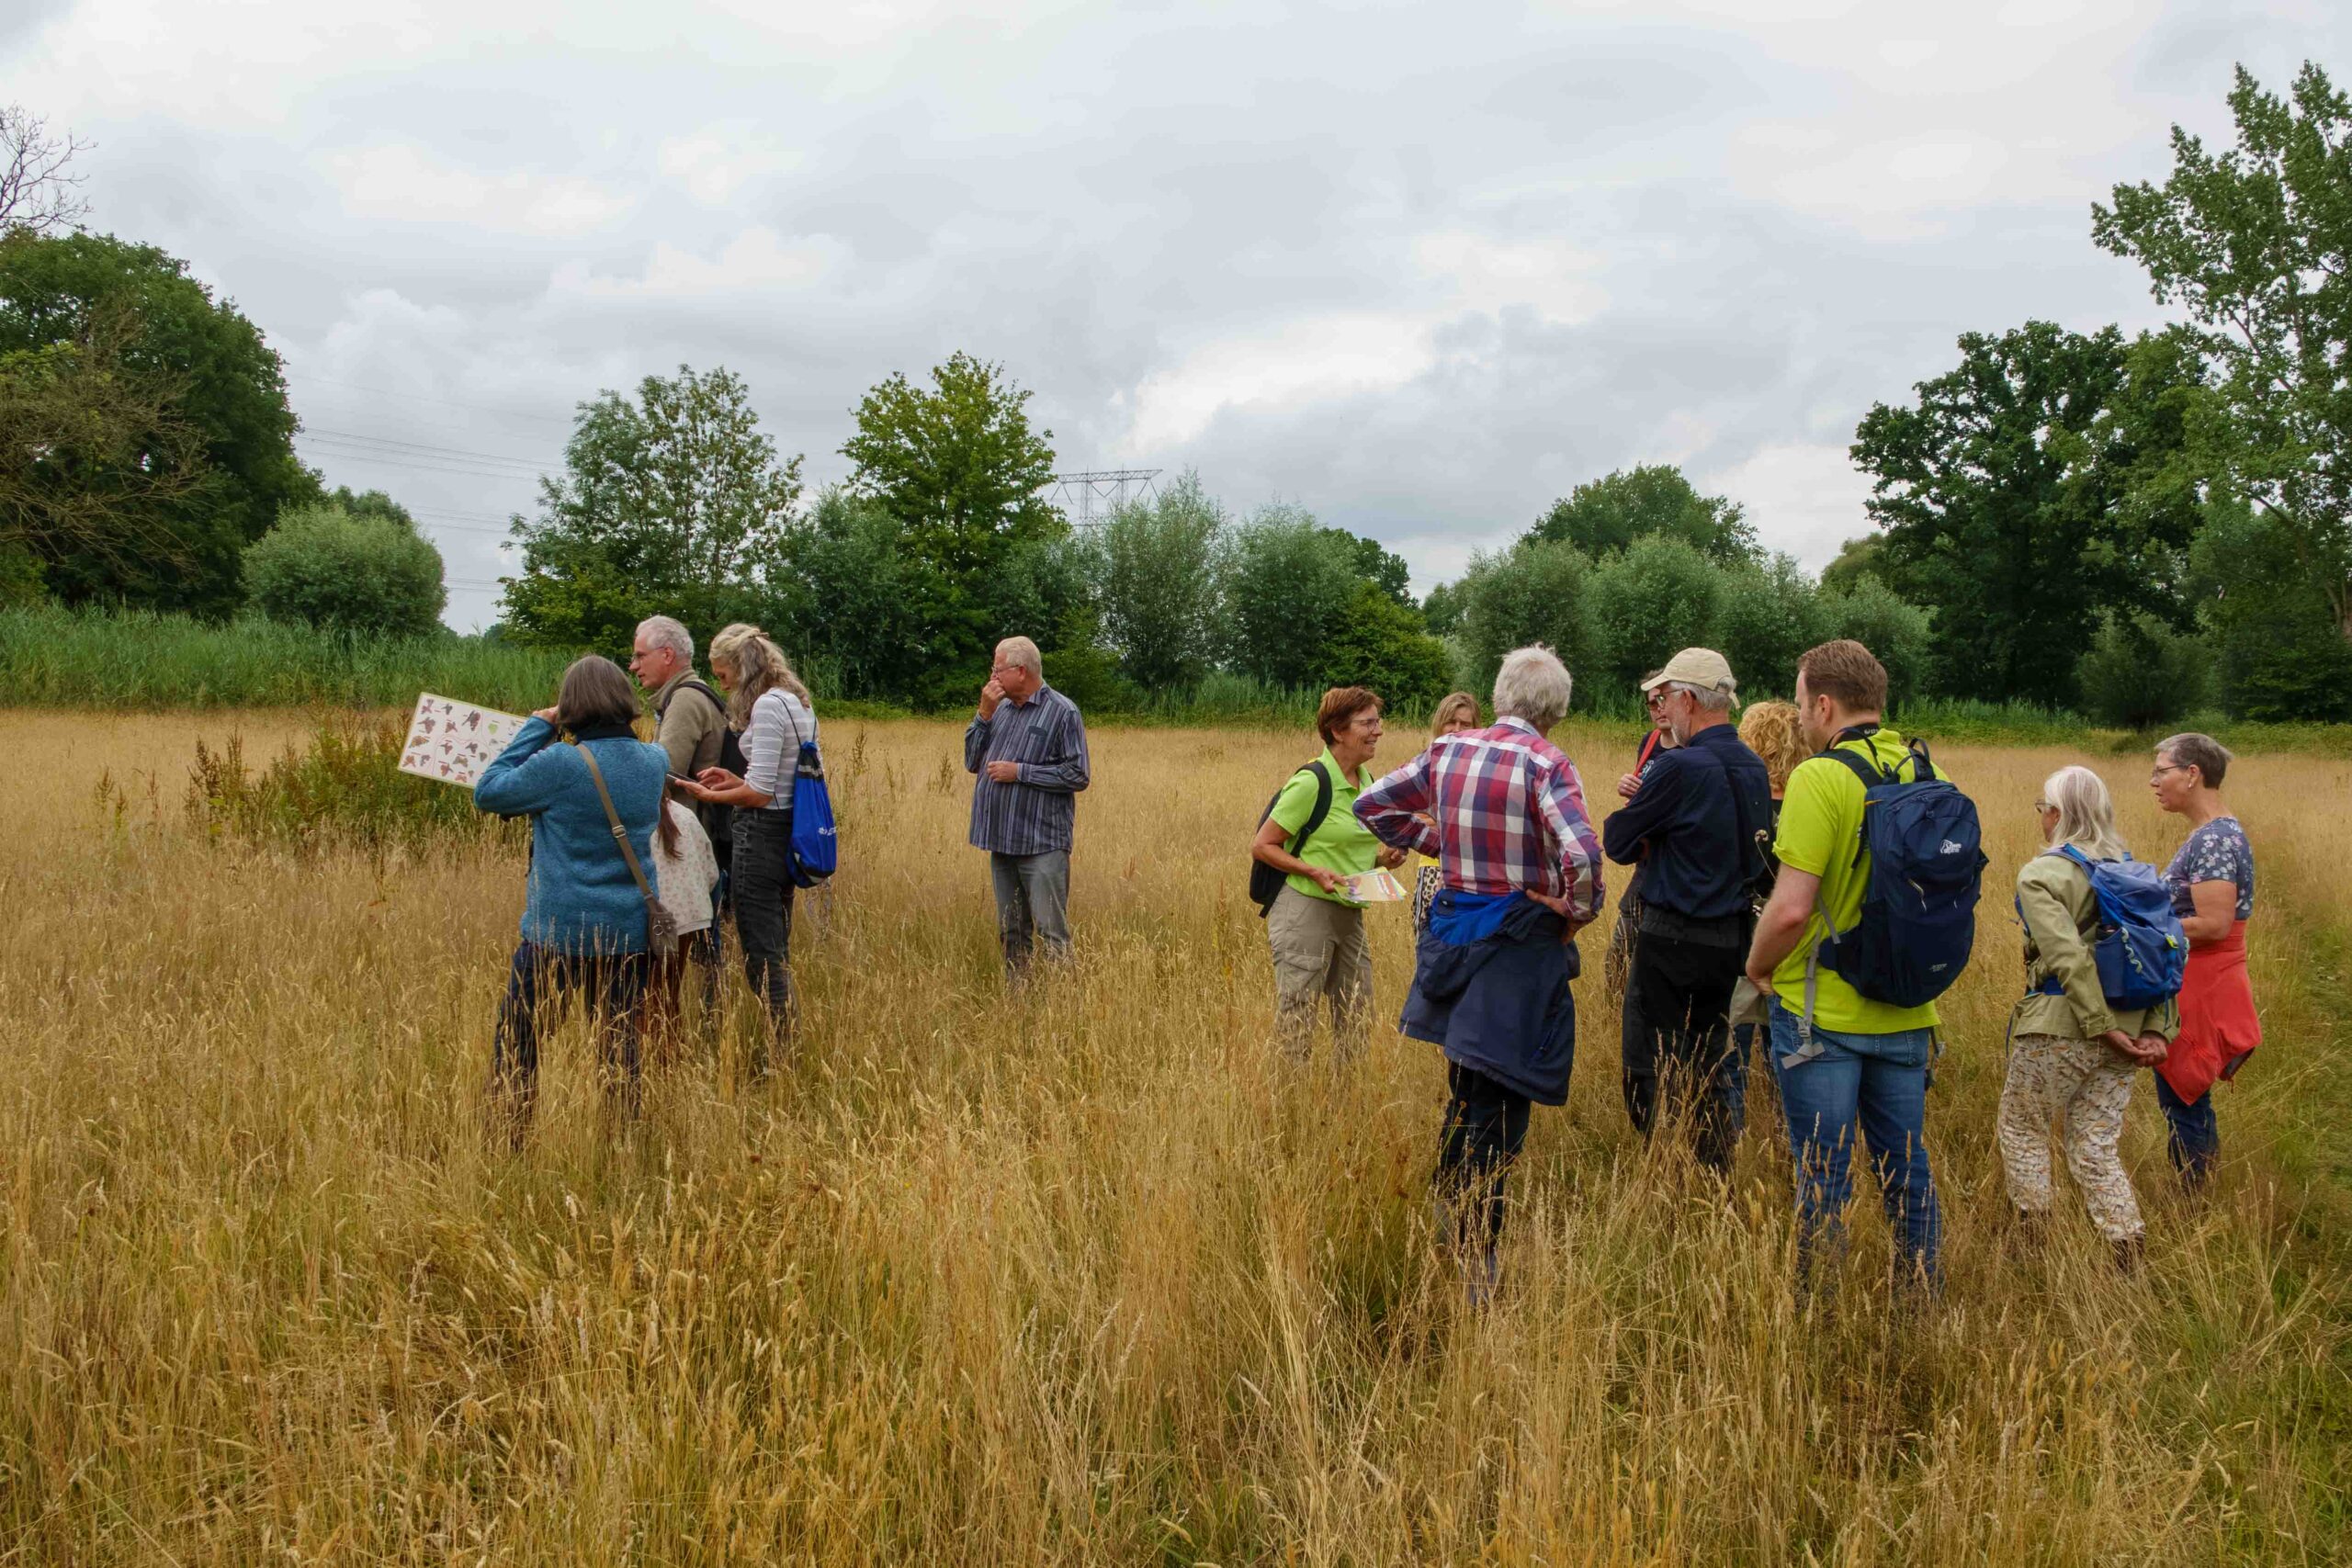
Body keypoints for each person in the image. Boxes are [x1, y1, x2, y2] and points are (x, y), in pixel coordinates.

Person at [1356, 646, 1604, 1302]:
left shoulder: (1449, 753)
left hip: (1455, 935)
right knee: (1502, 1098)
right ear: (1554, 709)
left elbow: (1373, 806)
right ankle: (1478, 1260)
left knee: (1466, 1084)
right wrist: (1575, 912)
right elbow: (1582, 854)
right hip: (1517, 947)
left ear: (1500, 696)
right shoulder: (1545, 761)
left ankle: (1452, 1213)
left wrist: (1441, 842)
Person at [1743, 639, 1949, 1293]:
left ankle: (1823, 1314)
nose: (1800, 717)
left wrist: (1757, 968)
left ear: (1825, 704)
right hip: (1908, 1004)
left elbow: (1791, 910)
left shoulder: (1818, 777)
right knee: (1908, 1171)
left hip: (1821, 1011)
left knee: (1823, 1174)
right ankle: (1923, 1298)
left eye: (1802, 703)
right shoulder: (1921, 767)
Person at [472, 655, 670, 1146]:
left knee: (520, 1039)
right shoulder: (655, 760)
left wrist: (537, 727)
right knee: (618, 1046)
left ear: (571, 707)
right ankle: (621, 1145)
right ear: (625, 701)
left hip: (557, 934)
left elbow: (488, 792)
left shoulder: (559, 763)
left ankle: (508, 1142)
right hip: (628, 933)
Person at [1997, 765, 2174, 1269]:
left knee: (2022, 1127)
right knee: (2096, 1142)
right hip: (2134, 1031)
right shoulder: (2135, 872)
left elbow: (2067, 958)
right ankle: (2127, 1252)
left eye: (2042, 809)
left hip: (2061, 1025)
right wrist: (2156, 1029)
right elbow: (2166, 954)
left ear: (2055, 814)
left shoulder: (2042, 874)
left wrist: (2102, 1026)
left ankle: (2032, 1249)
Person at [1602, 649, 1771, 1175]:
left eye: (1665, 696)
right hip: (1732, 941)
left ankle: (1667, 1164)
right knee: (1710, 1061)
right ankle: (1713, 1172)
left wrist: (1646, 819)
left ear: (1691, 699)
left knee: (1644, 1064)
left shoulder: (1678, 766)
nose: (1660, 707)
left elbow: (1619, 841)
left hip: (1670, 937)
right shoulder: (1752, 765)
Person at [679, 623, 817, 1077]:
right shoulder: (795, 701)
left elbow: (761, 794)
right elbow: (775, 781)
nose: (722, 684)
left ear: (741, 666)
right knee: (776, 946)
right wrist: (734, 781)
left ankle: (783, 1056)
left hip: (760, 836)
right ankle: (787, 1045)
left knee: (762, 954)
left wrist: (712, 796)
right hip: (783, 831)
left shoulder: (770, 706)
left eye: (722, 676)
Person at [1250, 686, 1409, 1064]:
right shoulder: (1312, 781)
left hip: (1348, 912)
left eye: (1378, 721)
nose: (1378, 730)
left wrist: (1383, 859)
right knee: (1298, 1017)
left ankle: (1343, 1105)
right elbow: (1263, 845)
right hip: (1303, 909)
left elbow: (1346, 848)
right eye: (1367, 723)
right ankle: (1292, 1110)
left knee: (1356, 1014)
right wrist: (1311, 871)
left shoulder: (1367, 780)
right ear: (1337, 730)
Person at [2149, 732, 2259, 1190]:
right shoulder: (2215, 833)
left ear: (2192, 774)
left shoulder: (2214, 840)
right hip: (2204, 979)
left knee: (2184, 1097)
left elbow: (2214, 924)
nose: (2153, 781)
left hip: (2203, 984)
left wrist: (2145, 927)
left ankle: (2193, 1199)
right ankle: (2201, 1190)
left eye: (2161, 771)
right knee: (2190, 1098)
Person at [964, 636, 1091, 980]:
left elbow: (1078, 774)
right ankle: (1019, 1001)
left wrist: (1019, 772)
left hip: (1042, 845)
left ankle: (1062, 1009)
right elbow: (971, 761)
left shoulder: (1063, 712)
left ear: (1020, 671)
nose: (992, 677)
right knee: (1011, 931)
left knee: (1052, 932)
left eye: (997, 669)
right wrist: (983, 714)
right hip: (1001, 841)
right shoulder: (999, 709)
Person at [629, 615, 731, 994]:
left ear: (667, 654)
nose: (634, 665)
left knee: (699, 959)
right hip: (705, 839)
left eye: (641, 656)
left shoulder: (686, 699)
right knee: (707, 953)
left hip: (694, 844)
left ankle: (710, 1030)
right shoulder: (688, 694)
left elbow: (661, 773)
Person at [1727, 699, 1808, 1115]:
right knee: (1791, 1056)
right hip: (1796, 943)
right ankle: (1789, 1136)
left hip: (1743, 937)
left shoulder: (1742, 799)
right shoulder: (1810, 801)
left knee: (1733, 1054)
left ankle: (1732, 1138)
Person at [1602, 685, 1679, 998]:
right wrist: (1627, 787)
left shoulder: (1692, 751)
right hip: (1645, 864)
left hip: (1672, 864)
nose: (1658, 709)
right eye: (1651, 704)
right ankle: (1612, 1015)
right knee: (1620, 951)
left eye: (1663, 701)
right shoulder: (1649, 743)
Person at [643, 784, 721, 1058]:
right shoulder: (686, 815)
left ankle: (661, 1060)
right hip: (689, 916)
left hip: (652, 919)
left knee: (648, 996)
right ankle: (672, 1058)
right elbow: (711, 872)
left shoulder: (633, 817)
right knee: (668, 993)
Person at [1410, 693, 1482, 930]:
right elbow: (1414, 817)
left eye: (1465, 724)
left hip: (1477, 872)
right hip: (1433, 866)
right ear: (1439, 724)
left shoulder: (1485, 767)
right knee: (1428, 945)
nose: (1457, 729)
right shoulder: (1425, 764)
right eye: (1451, 721)